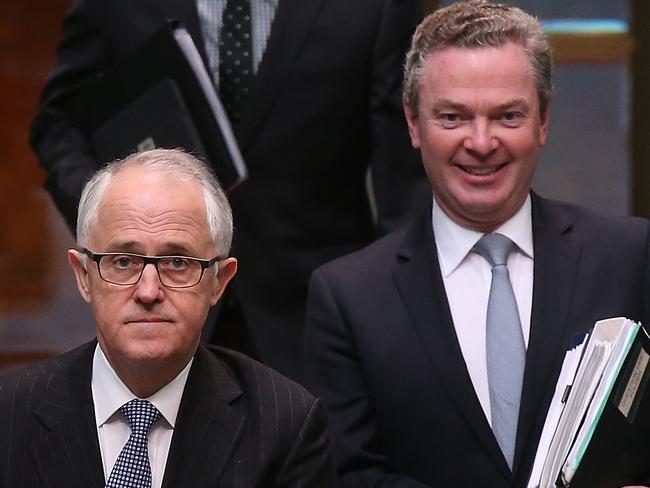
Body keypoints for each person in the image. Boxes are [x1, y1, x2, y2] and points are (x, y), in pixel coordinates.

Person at [304, 1, 650, 487]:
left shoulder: (630, 257)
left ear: (544, 121)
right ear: (413, 122)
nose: (482, 142)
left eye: (508, 115)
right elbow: (346, 476)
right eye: (453, 117)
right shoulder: (349, 296)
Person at [29, 0, 430, 381]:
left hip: (313, 317)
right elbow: (59, 123)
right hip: (156, 302)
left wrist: (393, 315)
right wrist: (117, 219)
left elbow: (404, 170)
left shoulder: (378, 7)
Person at [0, 149, 336, 487]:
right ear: (84, 276)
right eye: (122, 261)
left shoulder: (285, 425)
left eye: (177, 262)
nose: (148, 292)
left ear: (219, 282)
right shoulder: (9, 414)